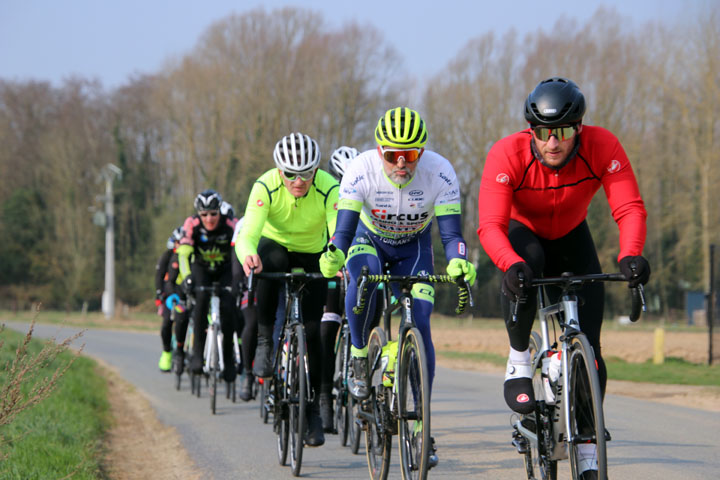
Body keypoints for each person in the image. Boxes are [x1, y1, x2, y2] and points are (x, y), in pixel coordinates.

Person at [476, 77, 650, 480]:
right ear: (530, 131)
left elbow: (629, 207)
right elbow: (490, 225)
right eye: (543, 133)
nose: (553, 143)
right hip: (524, 234)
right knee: (527, 260)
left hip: (572, 235)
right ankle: (519, 356)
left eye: (564, 132)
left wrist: (631, 254)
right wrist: (508, 263)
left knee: (591, 346)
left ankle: (588, 446)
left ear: (580, 129)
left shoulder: (603, 147)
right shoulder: (506, 154)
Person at [319, 107, 476, 467]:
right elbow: (342, 233)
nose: (401, 163)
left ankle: (422, 421)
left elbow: (451, 235)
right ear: (379, 152)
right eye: (392, 155)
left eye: (410, 155)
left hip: (415, 249)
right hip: (368, 240)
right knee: (362, 280)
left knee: (421, 320)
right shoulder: (361, 170)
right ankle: (359, 357)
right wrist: (333, 254)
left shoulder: (441, 172)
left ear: (422, 152)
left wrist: (457, 258)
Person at [235, 132, 339, 447]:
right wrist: (247, 255)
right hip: (274, 245)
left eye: (306, 173)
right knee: (270, 262)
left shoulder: (329, 187)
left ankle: (315, 412)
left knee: (313, 331)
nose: (299, 180)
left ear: (315, 170)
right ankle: (266, 339)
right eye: (291, 174)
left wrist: (335, 255)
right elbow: (249, 232)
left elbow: (339, 229)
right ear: (280, 171)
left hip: (312, 253)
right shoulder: (265, 185)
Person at [316, 145, 359, 432]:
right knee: (328, 328)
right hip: (330, 263)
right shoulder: (328, 199)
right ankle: (325, 401)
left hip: (357, 263)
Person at [177, 189, 239, 383]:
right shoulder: (192, 224)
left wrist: (239, 279)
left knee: (229, 310)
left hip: (225, 270)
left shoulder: (230, 224)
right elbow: (183, 254)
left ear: (220, 211)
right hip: (201, 269)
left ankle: (229, 359)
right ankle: (197, 355)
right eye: (204, 214)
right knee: (201, 302)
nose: (209, 218)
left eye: (213, 214)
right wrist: (187, 277)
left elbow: (241, 250)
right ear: (199, 214)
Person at [154, 226, 184, 371]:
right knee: (167, 323)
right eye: (179, 242)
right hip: (171, 295)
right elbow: (159, 276)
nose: (181, 245)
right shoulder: (168, 256)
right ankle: (166, 352)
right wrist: (159, 293)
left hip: (188, 295)